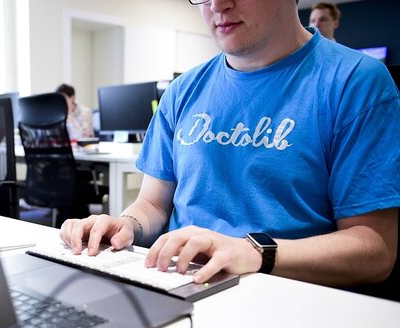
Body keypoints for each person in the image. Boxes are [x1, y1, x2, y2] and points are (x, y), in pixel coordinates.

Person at [60, 0, 399, 291]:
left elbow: (375, 250)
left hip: (287, 292)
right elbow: (152, 203)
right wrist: (126, 225)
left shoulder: (355, 82)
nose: (217, 5)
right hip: (178, 281)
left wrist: (253, 252)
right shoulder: (182, 91)